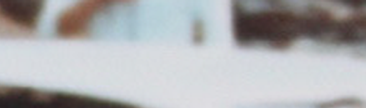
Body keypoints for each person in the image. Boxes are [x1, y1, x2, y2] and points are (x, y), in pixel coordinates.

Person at [35, 0, 234, 47]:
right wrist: (96, 2)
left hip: (170, 97)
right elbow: (50, 31)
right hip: (102, 92)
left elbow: (218, 44)